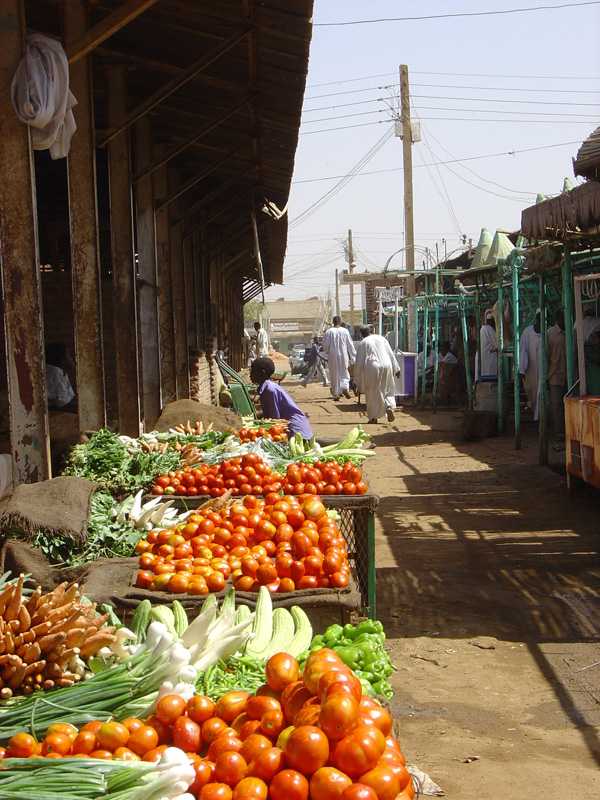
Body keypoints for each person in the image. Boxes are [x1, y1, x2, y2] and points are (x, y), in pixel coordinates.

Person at [250, 357, 312, 439]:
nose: (250, 374)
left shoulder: (269, 390)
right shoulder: (268, 387)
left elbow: (274, 420)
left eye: (253, 371)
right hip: (295, 428)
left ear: (262, 372)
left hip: (296, 431)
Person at [354, 326, 400, 423]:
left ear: (361, 334)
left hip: (372, 367)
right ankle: (389, 406)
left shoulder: (363, 342)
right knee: (387, 389)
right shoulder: (382, 339)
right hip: (387, 365)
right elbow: (390, 354)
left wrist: (356, 379)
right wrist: (397, 368)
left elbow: (359, 363)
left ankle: (373, 417)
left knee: (372, 392)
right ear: (372, 331)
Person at [322, 316, 356, 401]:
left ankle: (336, 393)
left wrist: (326, 353)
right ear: (340, 322)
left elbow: (325, 346)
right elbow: (350, 345)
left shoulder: (329, 332)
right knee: (344, 372)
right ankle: (344, 388)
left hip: (332, 355)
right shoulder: (345, 331)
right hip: (344, 355)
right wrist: (353, 357)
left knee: (334, 374)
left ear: (333, 322)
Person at [547, 310, 566, 443]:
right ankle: (559, 434)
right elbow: (546, 356)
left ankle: (567, 432)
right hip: (554, 376)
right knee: (556, 406)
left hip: (568, 376)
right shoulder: (550, 334)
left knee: (566, 406)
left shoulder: (571, 331)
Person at [520, 311, 542, 419]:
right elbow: (523, 351)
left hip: (543, 371)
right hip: (531, 370)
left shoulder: (547, 331)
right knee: (533, 394)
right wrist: (522, 370)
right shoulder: (527, 332)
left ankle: (541, 418)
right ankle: (536, 417)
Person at [45, 342, 76, 411]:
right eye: (69, 355)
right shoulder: (54, 371)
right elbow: (63, 402)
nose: (72, 358)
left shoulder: (60, 372)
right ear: (61, 357)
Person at [475, 310, 498, 381]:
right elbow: (499, 344)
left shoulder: (483, 329)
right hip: (487, 363)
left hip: (483, 361)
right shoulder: (488, 329)